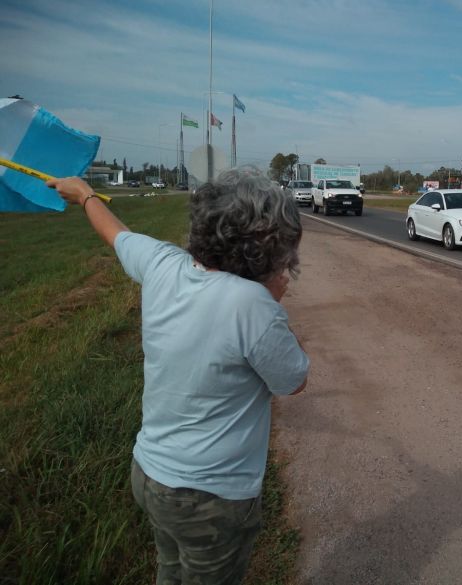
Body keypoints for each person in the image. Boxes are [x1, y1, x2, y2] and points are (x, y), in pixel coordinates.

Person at [47, 168, 310, 585]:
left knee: (169, 570)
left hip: (150, 473)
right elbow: (292, 380)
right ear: (267, 245)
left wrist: (85, 196)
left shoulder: (163, 264)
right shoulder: (252, 306)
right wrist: (274, 299)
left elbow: (115, 234)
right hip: (211, 498)